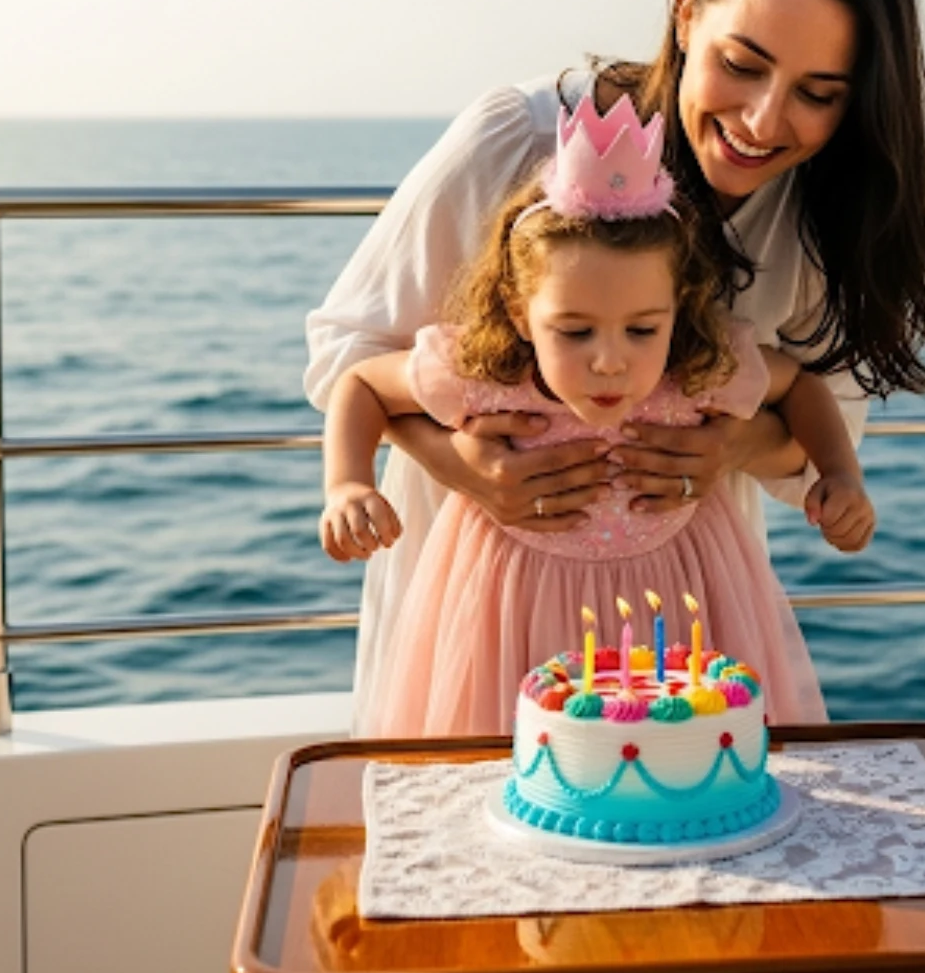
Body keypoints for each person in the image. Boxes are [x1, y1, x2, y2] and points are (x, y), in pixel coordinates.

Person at [305, 0, 925, 733]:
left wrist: (724, 446)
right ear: (686, 13)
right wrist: (466, 466)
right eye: (743, 64)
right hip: (475, 605)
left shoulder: (823, 210)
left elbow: (820, 412)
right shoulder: (517, 138)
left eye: (818, 92)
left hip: (676, 619)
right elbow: (350, 355)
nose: (763, 120)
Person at [319, 95, 869, 732]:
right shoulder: (485, 376)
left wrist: (840, 473)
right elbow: (360, 384)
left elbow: (800, 385)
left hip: (684, 595)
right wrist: (347, 484)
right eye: (575, 332)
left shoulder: (697, 370)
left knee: (683, 756)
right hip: (512, 607)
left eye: (641, 329)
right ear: (523, 315)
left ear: (677, 307)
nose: (610, 361)